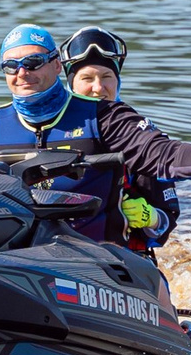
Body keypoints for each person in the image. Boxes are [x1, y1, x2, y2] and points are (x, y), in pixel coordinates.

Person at [0, 24, 191, 248]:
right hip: (14, 256)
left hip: (100, 259)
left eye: (32, 62)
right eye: (11, 66)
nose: (22, 73)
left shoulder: (107, 116)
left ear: (55, 66)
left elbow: (161, 156)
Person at [59, 26, 182, 250]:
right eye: (87, 78)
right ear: (71, 84)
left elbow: (168, 218)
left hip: (122, 259)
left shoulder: (136, 136)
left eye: (107, 77)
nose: (98, 88)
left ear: (118, 81)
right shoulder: (50, 130)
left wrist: (152, 218)